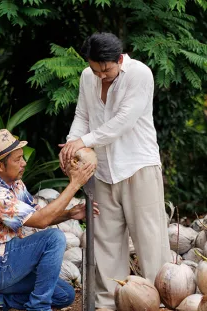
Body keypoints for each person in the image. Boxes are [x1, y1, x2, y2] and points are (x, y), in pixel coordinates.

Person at [59, 32, 171, 311]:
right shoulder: (89, 76)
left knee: (150, 239)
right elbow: (82, 115)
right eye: (96, 70)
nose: (101, 75)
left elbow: (124, 121)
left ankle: (162, 300)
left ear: (119, 59)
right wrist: (72, 148)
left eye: (106, 69)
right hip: (103, 168)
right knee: (106, 239)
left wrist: (83, 142)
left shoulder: (140, 74)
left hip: (138, 165)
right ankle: (108, 303)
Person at [0, 129, 98, 311]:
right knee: (54, 238)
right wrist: (75, 184)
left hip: (8, 263)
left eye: (22, 157)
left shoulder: (16, 184)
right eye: (17, 159)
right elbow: (41, 221)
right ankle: (38, 307)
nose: (24, 163)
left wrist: (69, 214)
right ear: (0, 166)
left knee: (65, 295)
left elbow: (39, 214)